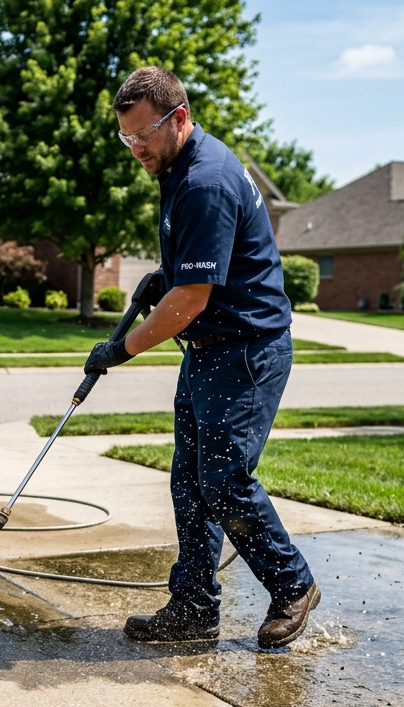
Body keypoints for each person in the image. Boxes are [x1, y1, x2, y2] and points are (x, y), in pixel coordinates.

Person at [85, 66, 319, 648]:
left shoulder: (204, 181)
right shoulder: (179, 166)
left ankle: (293, 584)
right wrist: (157, 280)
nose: (135, 148)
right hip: (212, 350)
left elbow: (191, 298)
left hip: (245, 351)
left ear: (179, 118)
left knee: (224, 481)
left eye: (143, 135)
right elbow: (198, 265)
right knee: (190, 483)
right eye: (126, 137)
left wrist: (123, 347)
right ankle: (193, 608)